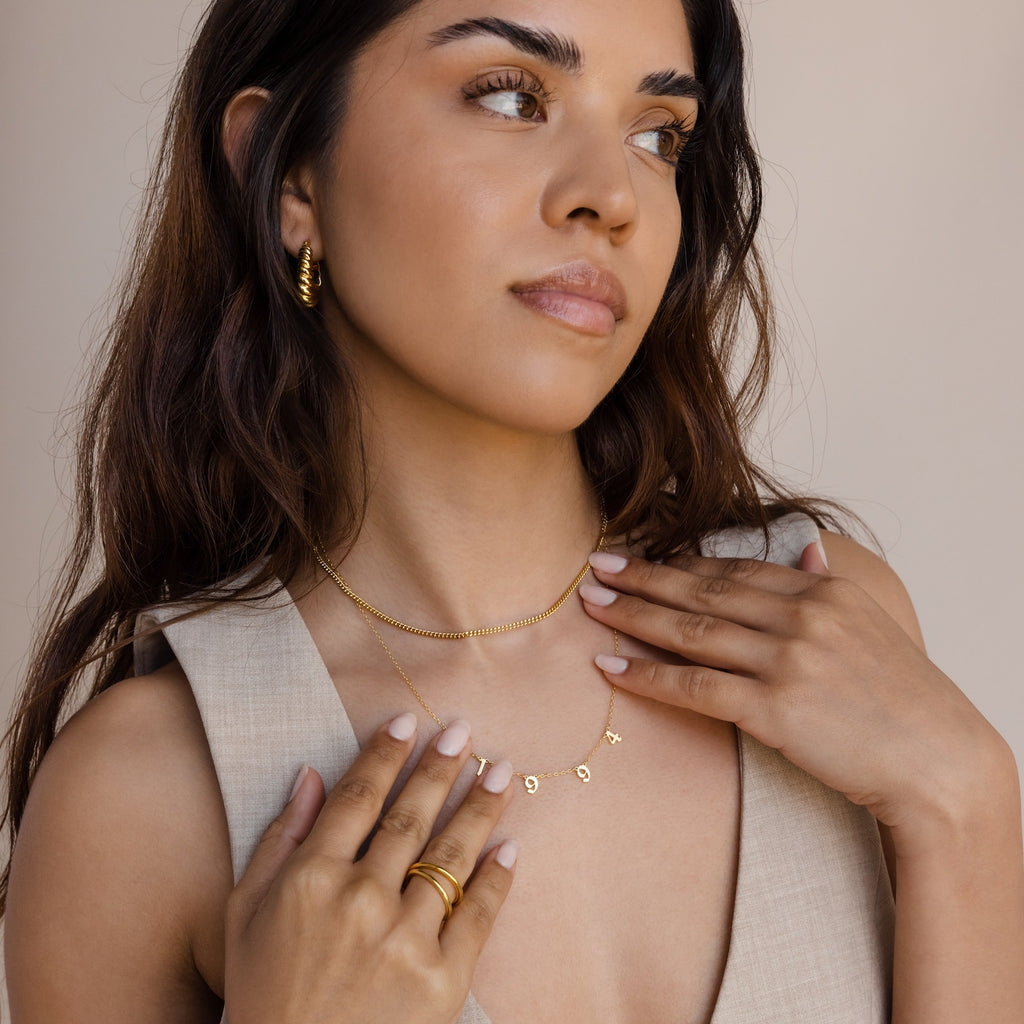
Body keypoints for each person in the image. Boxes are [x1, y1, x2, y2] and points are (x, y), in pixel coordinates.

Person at [2, 0, 1022, 1020]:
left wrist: (966, 801)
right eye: (509, 96)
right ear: (288, 170)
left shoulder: (827, 618)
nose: (609, 197)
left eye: (656, 134)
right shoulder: (143, 797)